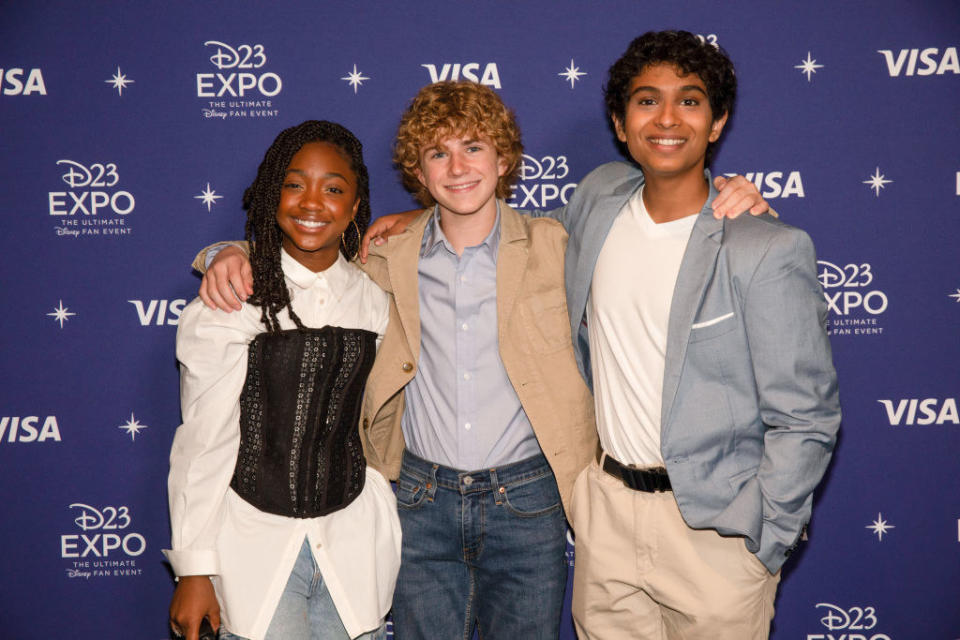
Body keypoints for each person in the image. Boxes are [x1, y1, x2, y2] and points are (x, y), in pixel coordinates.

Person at [546, 31, 838, 639]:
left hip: (716, 536)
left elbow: (806, 418)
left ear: (717, 121)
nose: (668, 118)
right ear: (621, 124)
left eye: (691, 100)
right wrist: (414, 216)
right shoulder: (597, 197)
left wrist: (762, 539)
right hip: (607, 520)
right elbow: (508, 240)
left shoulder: (765, 247)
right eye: (647, 100)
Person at [164, 121, 400, 640]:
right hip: (250, 551)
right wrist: (194, 567)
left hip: (355, 548)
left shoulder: (376, 298)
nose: (311, 202)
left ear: (356, 206)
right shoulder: (231, 297)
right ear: (273, 193)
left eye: (334, 188)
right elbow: (204, 439)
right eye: (295, 184)